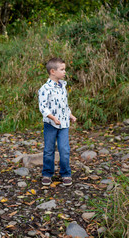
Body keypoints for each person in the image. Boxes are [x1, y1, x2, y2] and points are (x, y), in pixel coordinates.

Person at [38, 57, 77, 186]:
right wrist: (52, 117)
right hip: (50, 124)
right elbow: (43, 106)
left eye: (64, 69)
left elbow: (64, 105)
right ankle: (47, 173)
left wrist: (70, 114)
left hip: (64, 124)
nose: (65, 72)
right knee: (49, 150)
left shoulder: (62, 86)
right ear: (53, 71)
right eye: (62, 69)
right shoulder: (45, 88)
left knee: (64, 149)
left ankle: (66, 173)